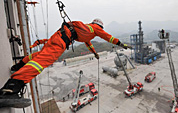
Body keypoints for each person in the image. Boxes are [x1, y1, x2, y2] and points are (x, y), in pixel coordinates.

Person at [0, 18, 131, 99]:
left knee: (39, 55)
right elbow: (108, 37)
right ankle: (14, 85)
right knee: (42, 61)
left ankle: (17, 66)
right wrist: (120, 44)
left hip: (58, 35)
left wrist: (95, 53)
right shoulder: (97, 29)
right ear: (99, 26)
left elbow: (88, 43)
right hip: (63, 40)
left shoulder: (87, 29)